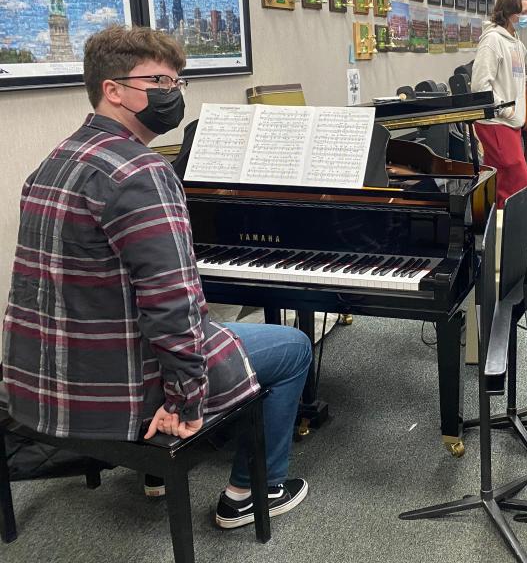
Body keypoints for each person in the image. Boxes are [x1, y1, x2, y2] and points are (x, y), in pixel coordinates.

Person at [0, 26, 311, 530]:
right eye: (159, 81)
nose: (172, 94)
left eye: (177, 82)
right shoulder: (141, 172)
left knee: (212, 332)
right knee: (292, 346)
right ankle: (250, 492)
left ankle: (158, 475)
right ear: (113, 90)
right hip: (115, 385)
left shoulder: (54, 160)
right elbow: (171, 307)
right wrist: (183, 400)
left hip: (40, 377)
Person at [472, 0, 527, 207]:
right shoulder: (493, 41)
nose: (526, 17)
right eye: (523, 13)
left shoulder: (514, 40)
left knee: (504, 185)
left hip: (510, 123)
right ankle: (510, 236)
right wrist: (507, 109)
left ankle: (501, 235)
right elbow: (480, 86)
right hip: (498, 122)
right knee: (518, 187)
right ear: (508, 13)